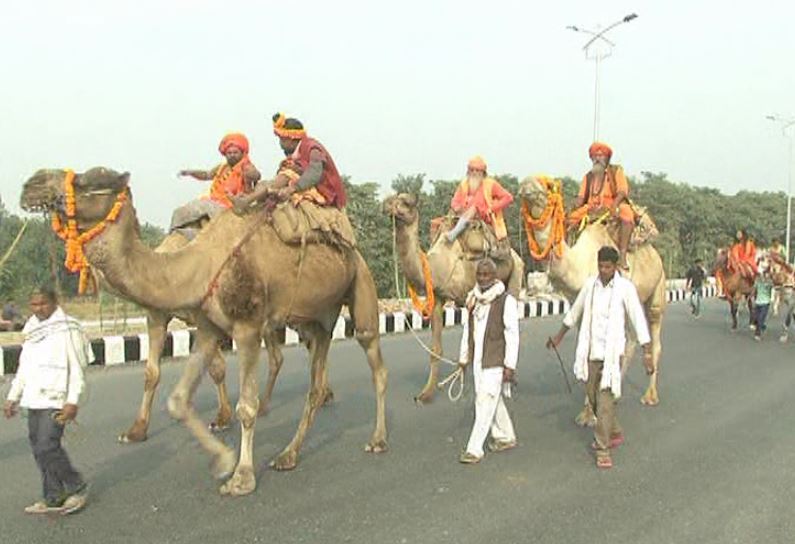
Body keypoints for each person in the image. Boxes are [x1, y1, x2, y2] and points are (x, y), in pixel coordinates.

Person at [546, 246, 653, 469]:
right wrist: (558, 337)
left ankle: (603, 448)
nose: (603, 270)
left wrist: (647, 352)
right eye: (600, 266)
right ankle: (613, 430)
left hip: (613, 354)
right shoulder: (590, 286)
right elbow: (575, 313)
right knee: (592, 397)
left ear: (615, 267)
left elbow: (637, 319)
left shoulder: (625, 288)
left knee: (605, 400)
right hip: (592, 350)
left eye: (607, 267)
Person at [3, 286, 94, 515]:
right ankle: (53, 497)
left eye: (43, 303)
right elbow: (25, 367)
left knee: (47, 446)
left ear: (54, 302)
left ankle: (76, 485)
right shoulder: (32, 328)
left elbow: (77, 369)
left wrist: (73, 401)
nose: (38, 308)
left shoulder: (68, 328)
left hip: (56, 398)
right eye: (34, 304)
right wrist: (13, 397)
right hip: (33, 398)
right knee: (38, 450)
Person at [457, 258, 519, 464]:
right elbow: (468, 330)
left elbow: (512, 335)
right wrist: (463, 358)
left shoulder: (506, 301)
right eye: (480, 275)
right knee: (489, 398)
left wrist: (510, 365)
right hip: (478, 360)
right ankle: (506, 436)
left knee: (484, 400)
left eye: (486, 275)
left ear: (494, 277)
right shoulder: (473, 300)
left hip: (496, 360)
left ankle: (474, 448)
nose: (483, 279)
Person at [233, 113, 347, 212]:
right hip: (303, 185)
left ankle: (247, 201)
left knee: (288, 173)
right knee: (275, 179)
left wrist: (292, 189)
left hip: (325, 191)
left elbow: (314, 173)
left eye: (282, 139)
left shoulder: (312, 148)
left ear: (291, 138)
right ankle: (252, 200)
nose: (280, 143)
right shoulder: (295, 153)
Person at [170, 133, 261, 237]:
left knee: (199, 205)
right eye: (229, 152)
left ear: (242, 153)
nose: (232, 155)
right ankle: (175, 233)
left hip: (232, 208)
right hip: (214, 202)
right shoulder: (222, 167)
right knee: (181, 211)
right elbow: (206, 175)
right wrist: (190, 172)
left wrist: (249, 172)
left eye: (235, 152)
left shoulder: (246, 166)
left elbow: (257, 176)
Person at [568, 142, 635, 269]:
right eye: (595, 156)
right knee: (569, 219)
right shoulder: (588, 177)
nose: (598, 159)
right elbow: (581, 198)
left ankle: (622, 255)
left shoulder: (616, 171)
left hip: (612, 205)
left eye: (601, 156)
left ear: (607, 158)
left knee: (627, 214)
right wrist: (572, 207)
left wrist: (614, 205)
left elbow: (622, 191)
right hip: (591, 208)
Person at [446, 156, 514, 244]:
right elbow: (455, 201)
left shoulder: (490, 184)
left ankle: (453, 234)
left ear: (483, 173)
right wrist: (457, 207)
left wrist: (492, 208)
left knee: (474, 208)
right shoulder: (464, 184)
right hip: (462, 216)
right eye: (472, 170)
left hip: (484, 217)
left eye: (477, 170)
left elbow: (508, 198)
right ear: (468, 171)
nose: (474, 173)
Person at [753, 267, 773, 341]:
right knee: (756, 317)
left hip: (765, 302)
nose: (767, 276)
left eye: (768, 275)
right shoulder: (758, 281)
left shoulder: (769, 282)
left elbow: (771, 289)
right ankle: (761, 325)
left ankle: (757, 333)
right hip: (758, 301)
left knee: (761, 317)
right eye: (766, 274)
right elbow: (754, 290)